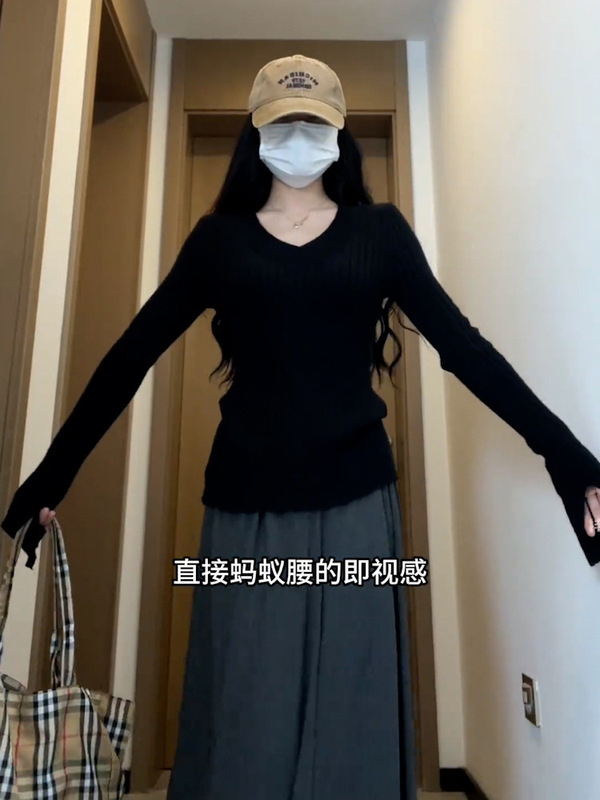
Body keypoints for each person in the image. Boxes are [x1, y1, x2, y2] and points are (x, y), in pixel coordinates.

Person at [2, 53, 600, 799]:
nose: (297, 136)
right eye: (281, 123)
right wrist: (51, 477)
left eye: (312, 122)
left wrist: (568, 458)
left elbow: (467, 351)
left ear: (338, 132)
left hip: (358, 512)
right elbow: (131, 357)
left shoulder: (380, 234)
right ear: (255, 134)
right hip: (244, 515)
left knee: (353, 714)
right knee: (245, 715)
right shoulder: (218, 242)